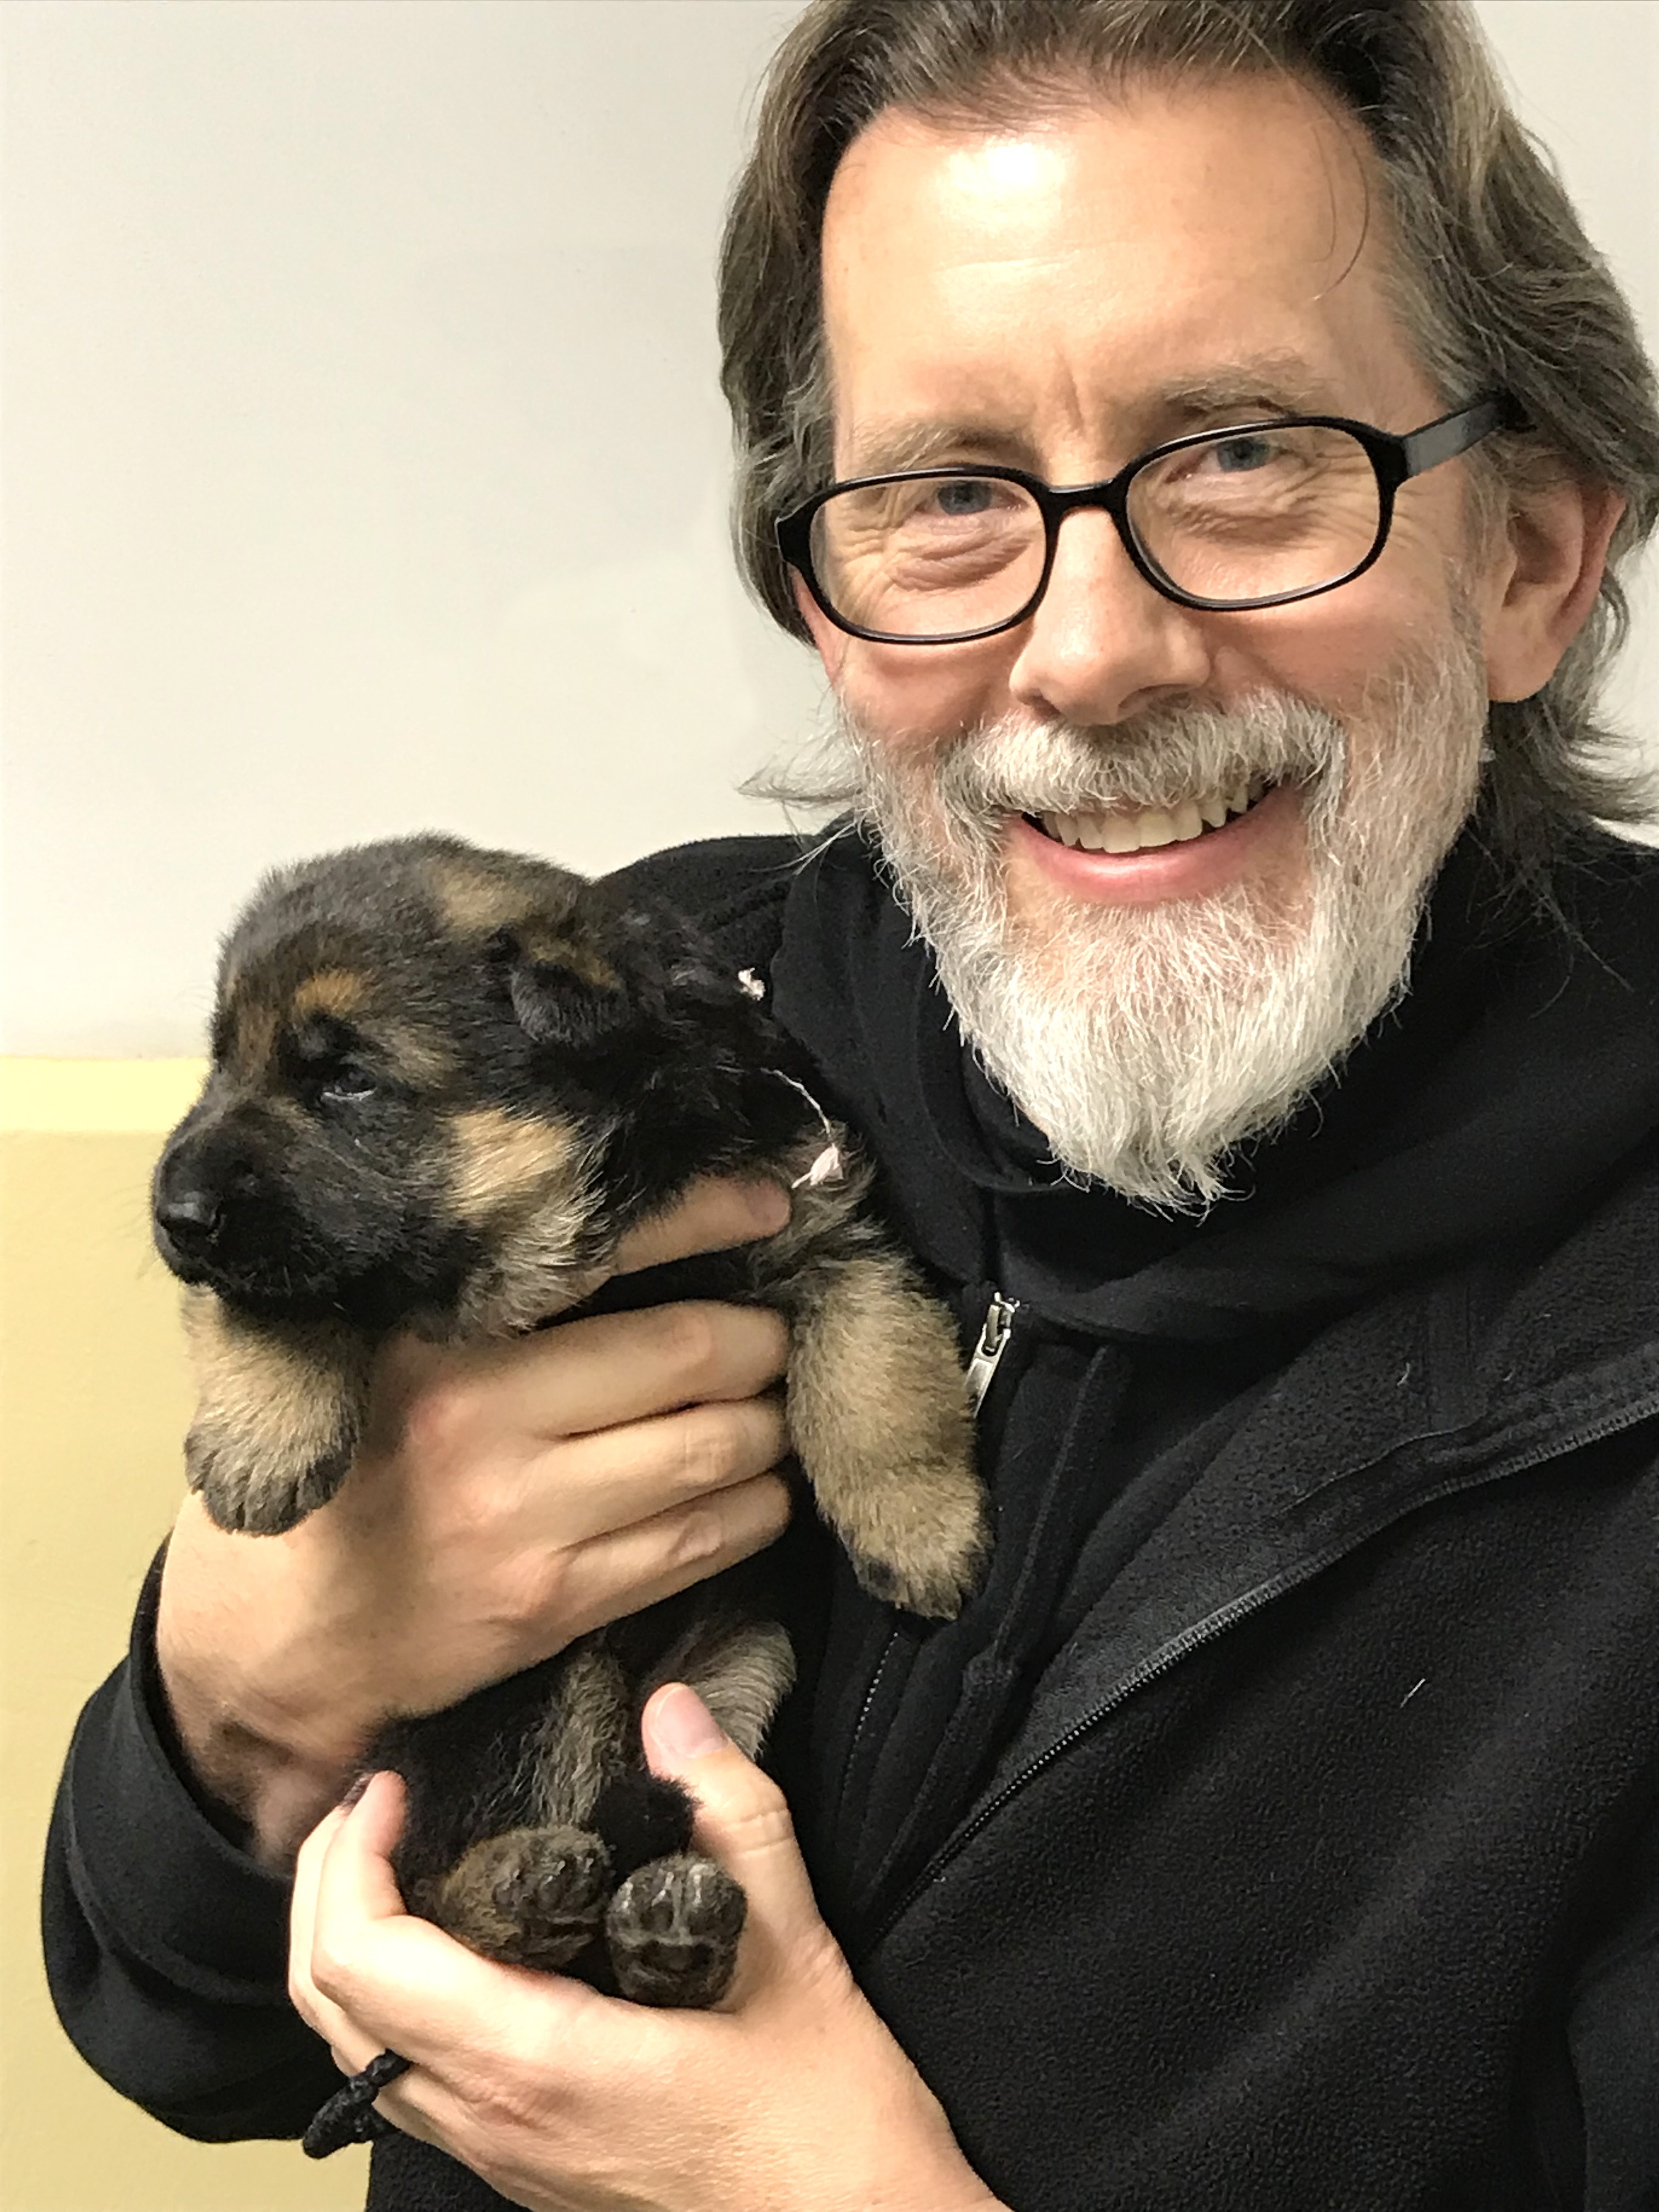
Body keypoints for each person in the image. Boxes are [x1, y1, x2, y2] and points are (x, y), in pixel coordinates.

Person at [43, 2, 1659, 2207]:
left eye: (1241, 454)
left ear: (1533, 557)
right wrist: (238, 1701)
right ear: (824, 591)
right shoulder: (652, 1000)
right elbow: (189, 2026)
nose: (1088, 654)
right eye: (949, 496)